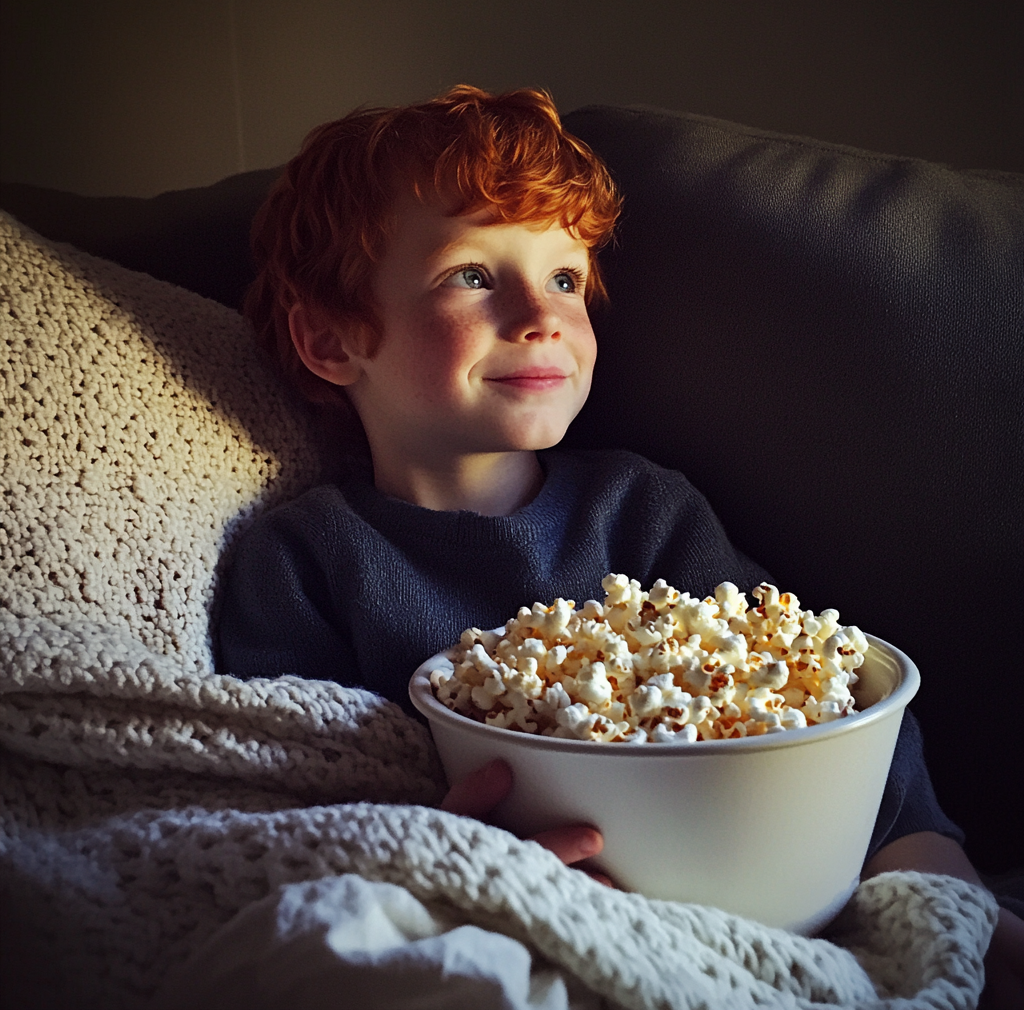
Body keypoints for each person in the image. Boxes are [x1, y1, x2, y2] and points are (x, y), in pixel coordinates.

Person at [216, 85, 1023, 1005]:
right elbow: (289, 802)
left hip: (743, 886)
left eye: (565, 277)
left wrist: (933, 874)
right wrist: (459, 855)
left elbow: (828, 692)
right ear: (331, 339)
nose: (541, 313)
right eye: (473, 275)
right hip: (482, 915)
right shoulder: (307, 562)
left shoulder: (643, 515)